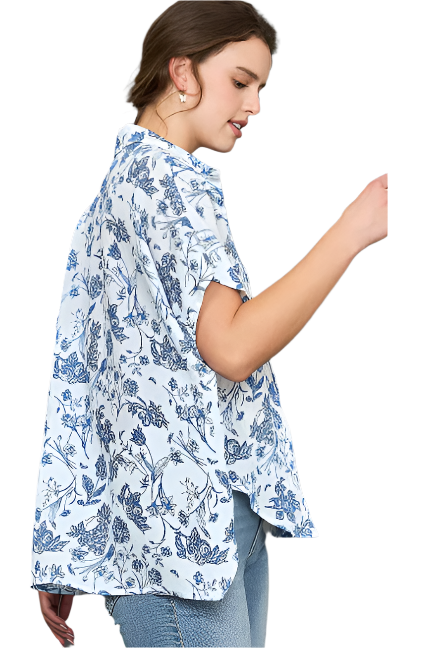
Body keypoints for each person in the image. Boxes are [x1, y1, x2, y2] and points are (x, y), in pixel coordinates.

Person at [31, 2, 387, 646]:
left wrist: (71, 539)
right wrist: (354, 229)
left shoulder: (122, 185)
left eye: (261, 87)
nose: (254, 106)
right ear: (182, 73)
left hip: (203, 520)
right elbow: (231, 346)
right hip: (181, 548)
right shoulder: (169, 181)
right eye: (241, 81)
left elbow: (89, 377)